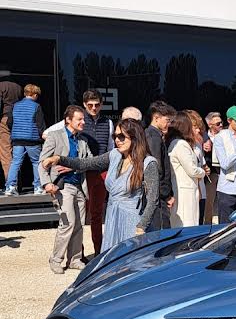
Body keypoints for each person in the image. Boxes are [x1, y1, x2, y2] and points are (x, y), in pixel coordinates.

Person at [43, 118, 159, 253]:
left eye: (122, 137)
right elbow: (85, 163)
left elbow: (153, 200)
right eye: (115, 136)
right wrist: (59, 159)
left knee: (132, 263)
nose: (117, 140)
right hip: (112, 217)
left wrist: (141, 226)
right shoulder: (114, 155)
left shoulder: (148, 163)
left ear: (135, 138)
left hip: (133, 221)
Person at [44, 89, 114, 254]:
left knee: (97, 215)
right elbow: (47, 134)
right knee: (79, 216)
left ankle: (98, 251)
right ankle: (78, 254)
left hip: (101, 173)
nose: (94, 108)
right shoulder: (79, 120)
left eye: (97, 104)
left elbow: (111, 149)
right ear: (84, 105)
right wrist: (68, 158)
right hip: (82, 174)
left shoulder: (108, 123)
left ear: (102, 104)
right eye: (90, 105)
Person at [39, 105, 91, 274]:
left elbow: (89, 162)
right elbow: (42, 162)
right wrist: (47, 183)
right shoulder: (55, 136)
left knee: (79, 225)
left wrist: (73, 167)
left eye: (83, 119)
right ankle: (55, 259)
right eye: (80, 119)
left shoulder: (83, 140)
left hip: (80, 187)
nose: (83, 122)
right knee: (67, 224)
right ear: (68, 120)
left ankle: (75, 259)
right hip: (63, 187)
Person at [3, 83, 46, 195]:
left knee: (16, 162)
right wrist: (43, 136)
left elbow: (9, 122)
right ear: (35, 94)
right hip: (32, 139)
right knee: (36, 162)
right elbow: (40, 124)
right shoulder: (36, 106)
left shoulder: (15, 105)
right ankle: (38, 187)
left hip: (17, 139)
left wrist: (16, 130)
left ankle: (10, 187)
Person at [167, 111, 206, 228]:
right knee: (186, 225)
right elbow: (192, 170)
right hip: (185, 193)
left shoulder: (176, 143)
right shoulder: (181, 145)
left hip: (183, 190)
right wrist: (203, 172)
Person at [145, 101, 175, 228]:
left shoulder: (154, 135)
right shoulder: (153, 136)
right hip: (158, 197)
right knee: (161, 232)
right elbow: (157, 169)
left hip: (158, 195)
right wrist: (166, 194)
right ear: (156, 118)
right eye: (167, 120)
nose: (169, 123)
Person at [0, 77, 22, 188]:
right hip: (17, 118)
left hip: (4, 119)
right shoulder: (18, 87)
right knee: (17, 151)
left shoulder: (1, 86)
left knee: (5, 152)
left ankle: (11, 184)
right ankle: (18, 182)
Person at [203, 111, 224, 223]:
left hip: (225, 173)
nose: (220, 125)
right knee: (209, 203)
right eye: (217, 124)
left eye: (221, 123)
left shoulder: (226, 135)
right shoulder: (203, 137)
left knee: (223, 201)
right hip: (211, 174)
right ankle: (207, 225)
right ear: (210, 125)